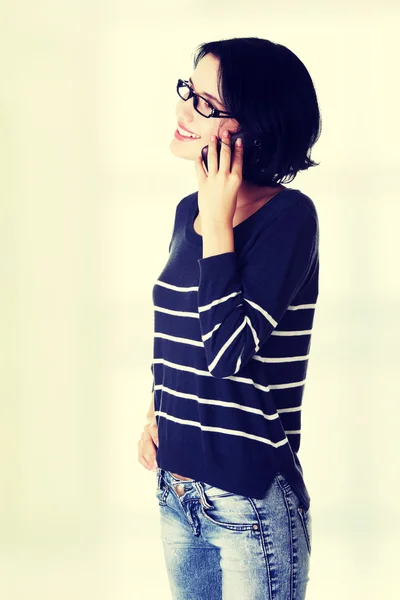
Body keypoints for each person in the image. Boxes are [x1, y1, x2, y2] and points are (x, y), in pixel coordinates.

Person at [138, 36, 321, 599]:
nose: (182, 111)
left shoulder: (289, 217)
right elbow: (176, 327)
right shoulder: (186, 213)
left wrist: (218, 223)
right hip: (179, 492)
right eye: (187, 92)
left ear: (254, 127)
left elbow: (227, 353)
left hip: (250, 499)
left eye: (205, 104)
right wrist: (155, 408)